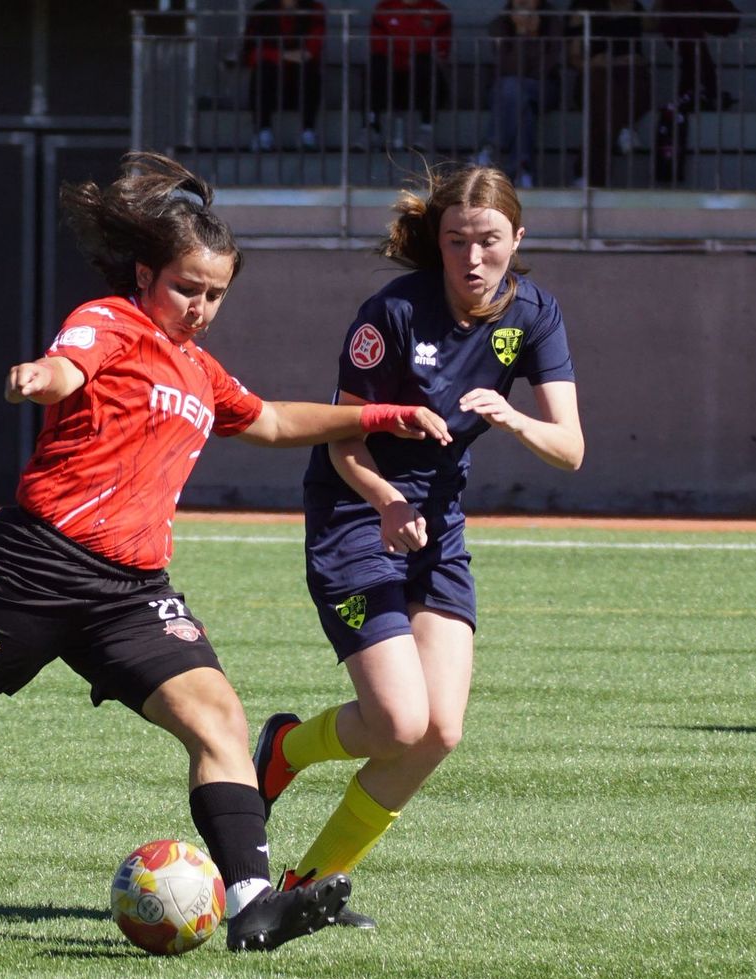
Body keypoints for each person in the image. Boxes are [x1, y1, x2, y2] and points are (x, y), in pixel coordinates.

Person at [0, 152, 450, 953]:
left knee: (219, 720)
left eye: (215, 294)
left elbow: (269, 420)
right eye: (186, 289)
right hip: (31, 573)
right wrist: (44, 376)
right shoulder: (112, 320)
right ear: (146, 275)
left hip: (130, 591)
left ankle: (250, 906)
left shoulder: (200, 371)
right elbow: (73, 363)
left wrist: (376, 418)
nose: (200, 307)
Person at [252, 163, 584, 929]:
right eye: (457, 240)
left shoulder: (535, 314)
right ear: (437, 242)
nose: (473, 258)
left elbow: (569, 449)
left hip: (438, 526)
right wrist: (389, 499)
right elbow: (340, 442)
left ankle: (307, 889)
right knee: (400, 722)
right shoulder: (392, 314)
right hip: (354, 511)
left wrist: (512, 418)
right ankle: (285, 751)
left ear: (517, 239)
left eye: (489, 241)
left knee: (439, 733)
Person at [475, 0, 567, 188]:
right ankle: (521, 170)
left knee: (514, 89)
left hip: (543, 88)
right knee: (521, 106)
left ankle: (492, 147)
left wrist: (532, 35)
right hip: (504, 91)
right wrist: (520, 33)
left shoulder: (553, 23)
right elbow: (507, 68)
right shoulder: (500, 24)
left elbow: (541, 70)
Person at [566, 0, 653, 186]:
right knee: (601, 95)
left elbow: (657, 25)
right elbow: (574, 57)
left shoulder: (636, 8)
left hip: (630, 78)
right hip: (597, 78)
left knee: (606, 111)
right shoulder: (583, 9)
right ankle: (622, 126)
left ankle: (586, 176)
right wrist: (595, 62)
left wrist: (630, 60)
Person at [365, 0, 454, 151]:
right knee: (376, 66)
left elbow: (441, 49)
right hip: (393, 76)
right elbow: (379, 46)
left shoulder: (438, 10)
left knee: (426, 65)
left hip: (421, 78)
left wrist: (415, 57)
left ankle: (427, 130)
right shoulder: (385, 8)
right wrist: (405, 58)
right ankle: (371, 128)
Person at [241, 0, 328, 151]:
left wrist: (272, 55)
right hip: (272, 84)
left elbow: (310, 52)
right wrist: (285, 55)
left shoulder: (314, 9)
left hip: (299, 84)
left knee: (309, 71)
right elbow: (251, 54)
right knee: (263, 70)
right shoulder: (261, 10)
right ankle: (263, 132)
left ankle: (308, 133)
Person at [655, 0, 741, 111]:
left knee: (692, 50)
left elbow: (695, 42)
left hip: (709, 19)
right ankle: (693, 95)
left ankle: (694, 95)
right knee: (691, 52)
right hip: (686, 23)